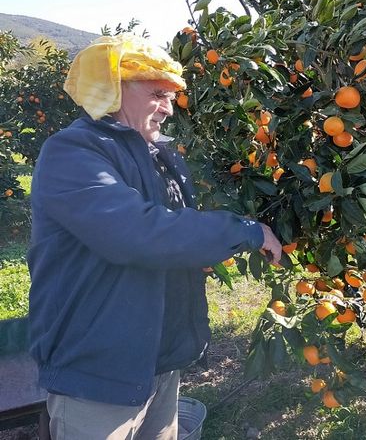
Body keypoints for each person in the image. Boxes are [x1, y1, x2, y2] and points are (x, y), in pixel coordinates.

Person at [27, 34, 282, 439]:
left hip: (159, 360)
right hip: (99, 369)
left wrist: (196, 248)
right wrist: (245, 230)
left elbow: (170, 229)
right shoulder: (73, 152)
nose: (168, 107)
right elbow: (137, 233)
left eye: (170, 95)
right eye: (157, 94)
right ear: (115, 89)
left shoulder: (159, 154)